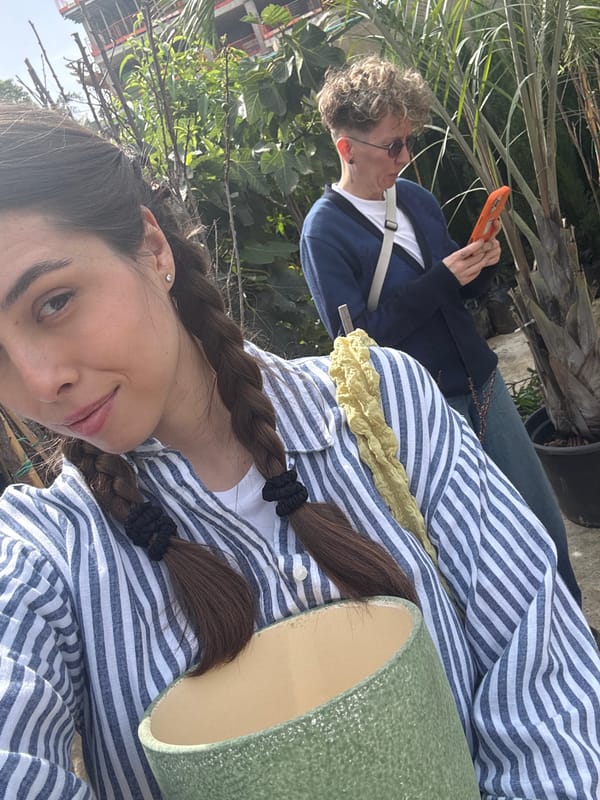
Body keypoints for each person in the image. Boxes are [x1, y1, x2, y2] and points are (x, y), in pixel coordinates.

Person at [0, 105, 598, 800]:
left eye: (53, 303)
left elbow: (542, 672)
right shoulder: (45, 553)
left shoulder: (384, 405)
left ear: (152, 247)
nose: (40, 383)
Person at [300, 54, 583, 605]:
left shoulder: (417, 200)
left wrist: (481, 266)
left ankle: (576, 638)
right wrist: (441, 279)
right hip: (424, 413)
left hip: (482, 384)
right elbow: (358, 346)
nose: (404, 158)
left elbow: (455, 291)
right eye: (393, 145)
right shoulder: (323, 233)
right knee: (480, 549)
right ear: (346, 148)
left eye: (408, 141)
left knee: (541, 520)